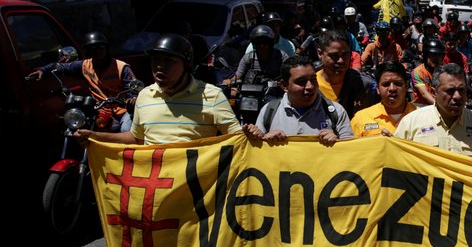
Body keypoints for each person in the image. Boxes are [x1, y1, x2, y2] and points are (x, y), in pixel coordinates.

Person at [75, 34, 241, 145]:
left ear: (186, 64)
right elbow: (136, 138)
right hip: (155, 190)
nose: (160, 67)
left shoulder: (213, 96)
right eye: (156, 60)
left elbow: (238, 140)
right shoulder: (145, 96)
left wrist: (257, 134)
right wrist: (96, 137)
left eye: (168, 61)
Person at [394, 63, 472, 164]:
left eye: (461, 90)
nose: (457, 96)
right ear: (434, 92)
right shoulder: (411, 123)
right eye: (450, 91)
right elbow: (394, 159)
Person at [28, 31, 137, 132]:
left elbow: (133, 87)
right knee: (83, 131)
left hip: (123, 110)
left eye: (100, 47)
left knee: (126, 130)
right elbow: (61, 66)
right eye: (92, 48)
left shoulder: (121, 67)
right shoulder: (84, 65)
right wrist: (43, 70)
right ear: (88, 51)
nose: (97, 51)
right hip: (100, 111)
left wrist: (132, 98)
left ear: (106, 48)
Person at [245, 55, 353, 146]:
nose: (310, 86)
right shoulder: (269, 111)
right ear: (284, 85)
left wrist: (337, 143)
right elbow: (257, 151)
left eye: (313, 79)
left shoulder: (335, 111)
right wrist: (264, 139)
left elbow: (351, 150)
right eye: (301, 82)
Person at [351, 61, 417, 137]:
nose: (392, 89)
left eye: (398, 83)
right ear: (378, 89)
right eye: (386, 84)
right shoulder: (361, 119)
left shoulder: (422, 116)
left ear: (407, 86)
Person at [316, 30, 367, 117]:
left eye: (345, 54)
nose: (341, 61)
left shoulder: (364, 85)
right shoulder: (310, 85)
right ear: (320, 54)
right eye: (334, 56)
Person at [411, 38, 446, 106]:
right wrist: (440, 107)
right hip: (421, 106)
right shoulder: (417, 72)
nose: (436, 58)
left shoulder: (445, 71)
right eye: (433, 55)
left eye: (439, 55)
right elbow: (424, 94)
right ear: (425, 56)